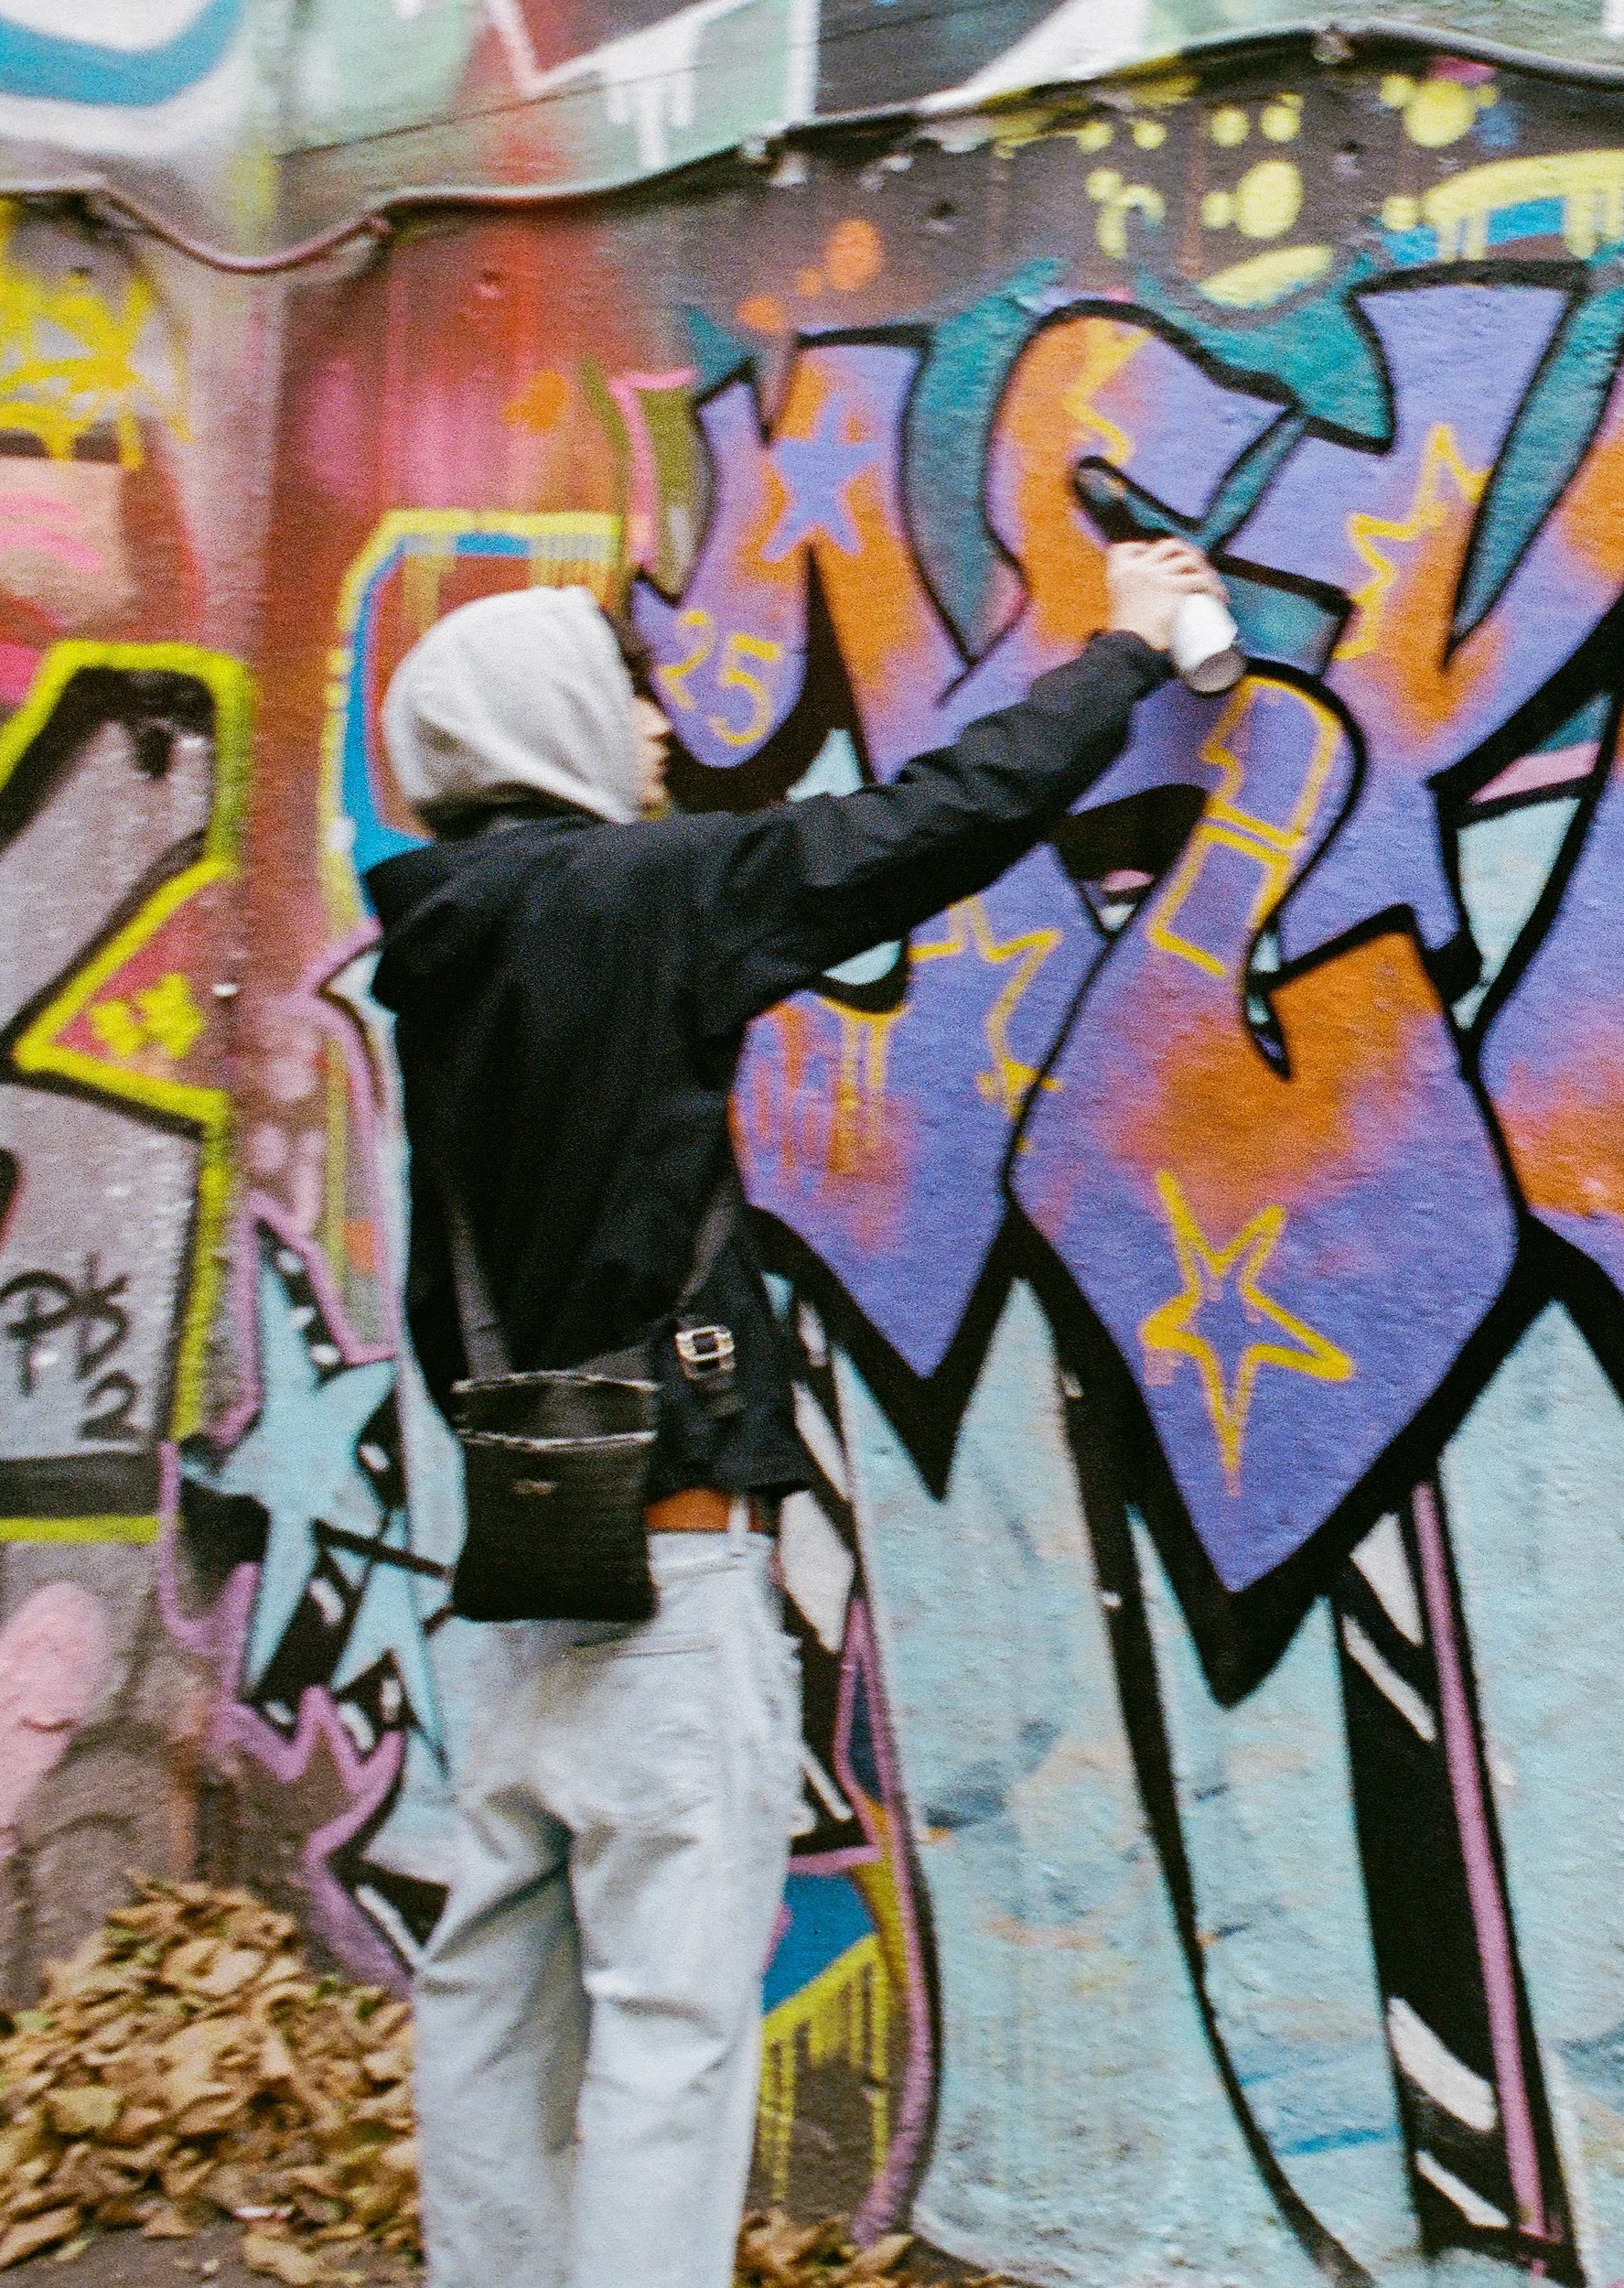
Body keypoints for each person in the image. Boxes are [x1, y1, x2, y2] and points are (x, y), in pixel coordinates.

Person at [366, 537, 1226, 2288]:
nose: (662, 728)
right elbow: (937, 819)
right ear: (552, 726)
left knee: (488, 1990)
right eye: (626, 698)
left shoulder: (437, 940)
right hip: (666, 1572)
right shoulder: (645, 897)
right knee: (671, 2026)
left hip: (523, 1561)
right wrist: (1122, 654)